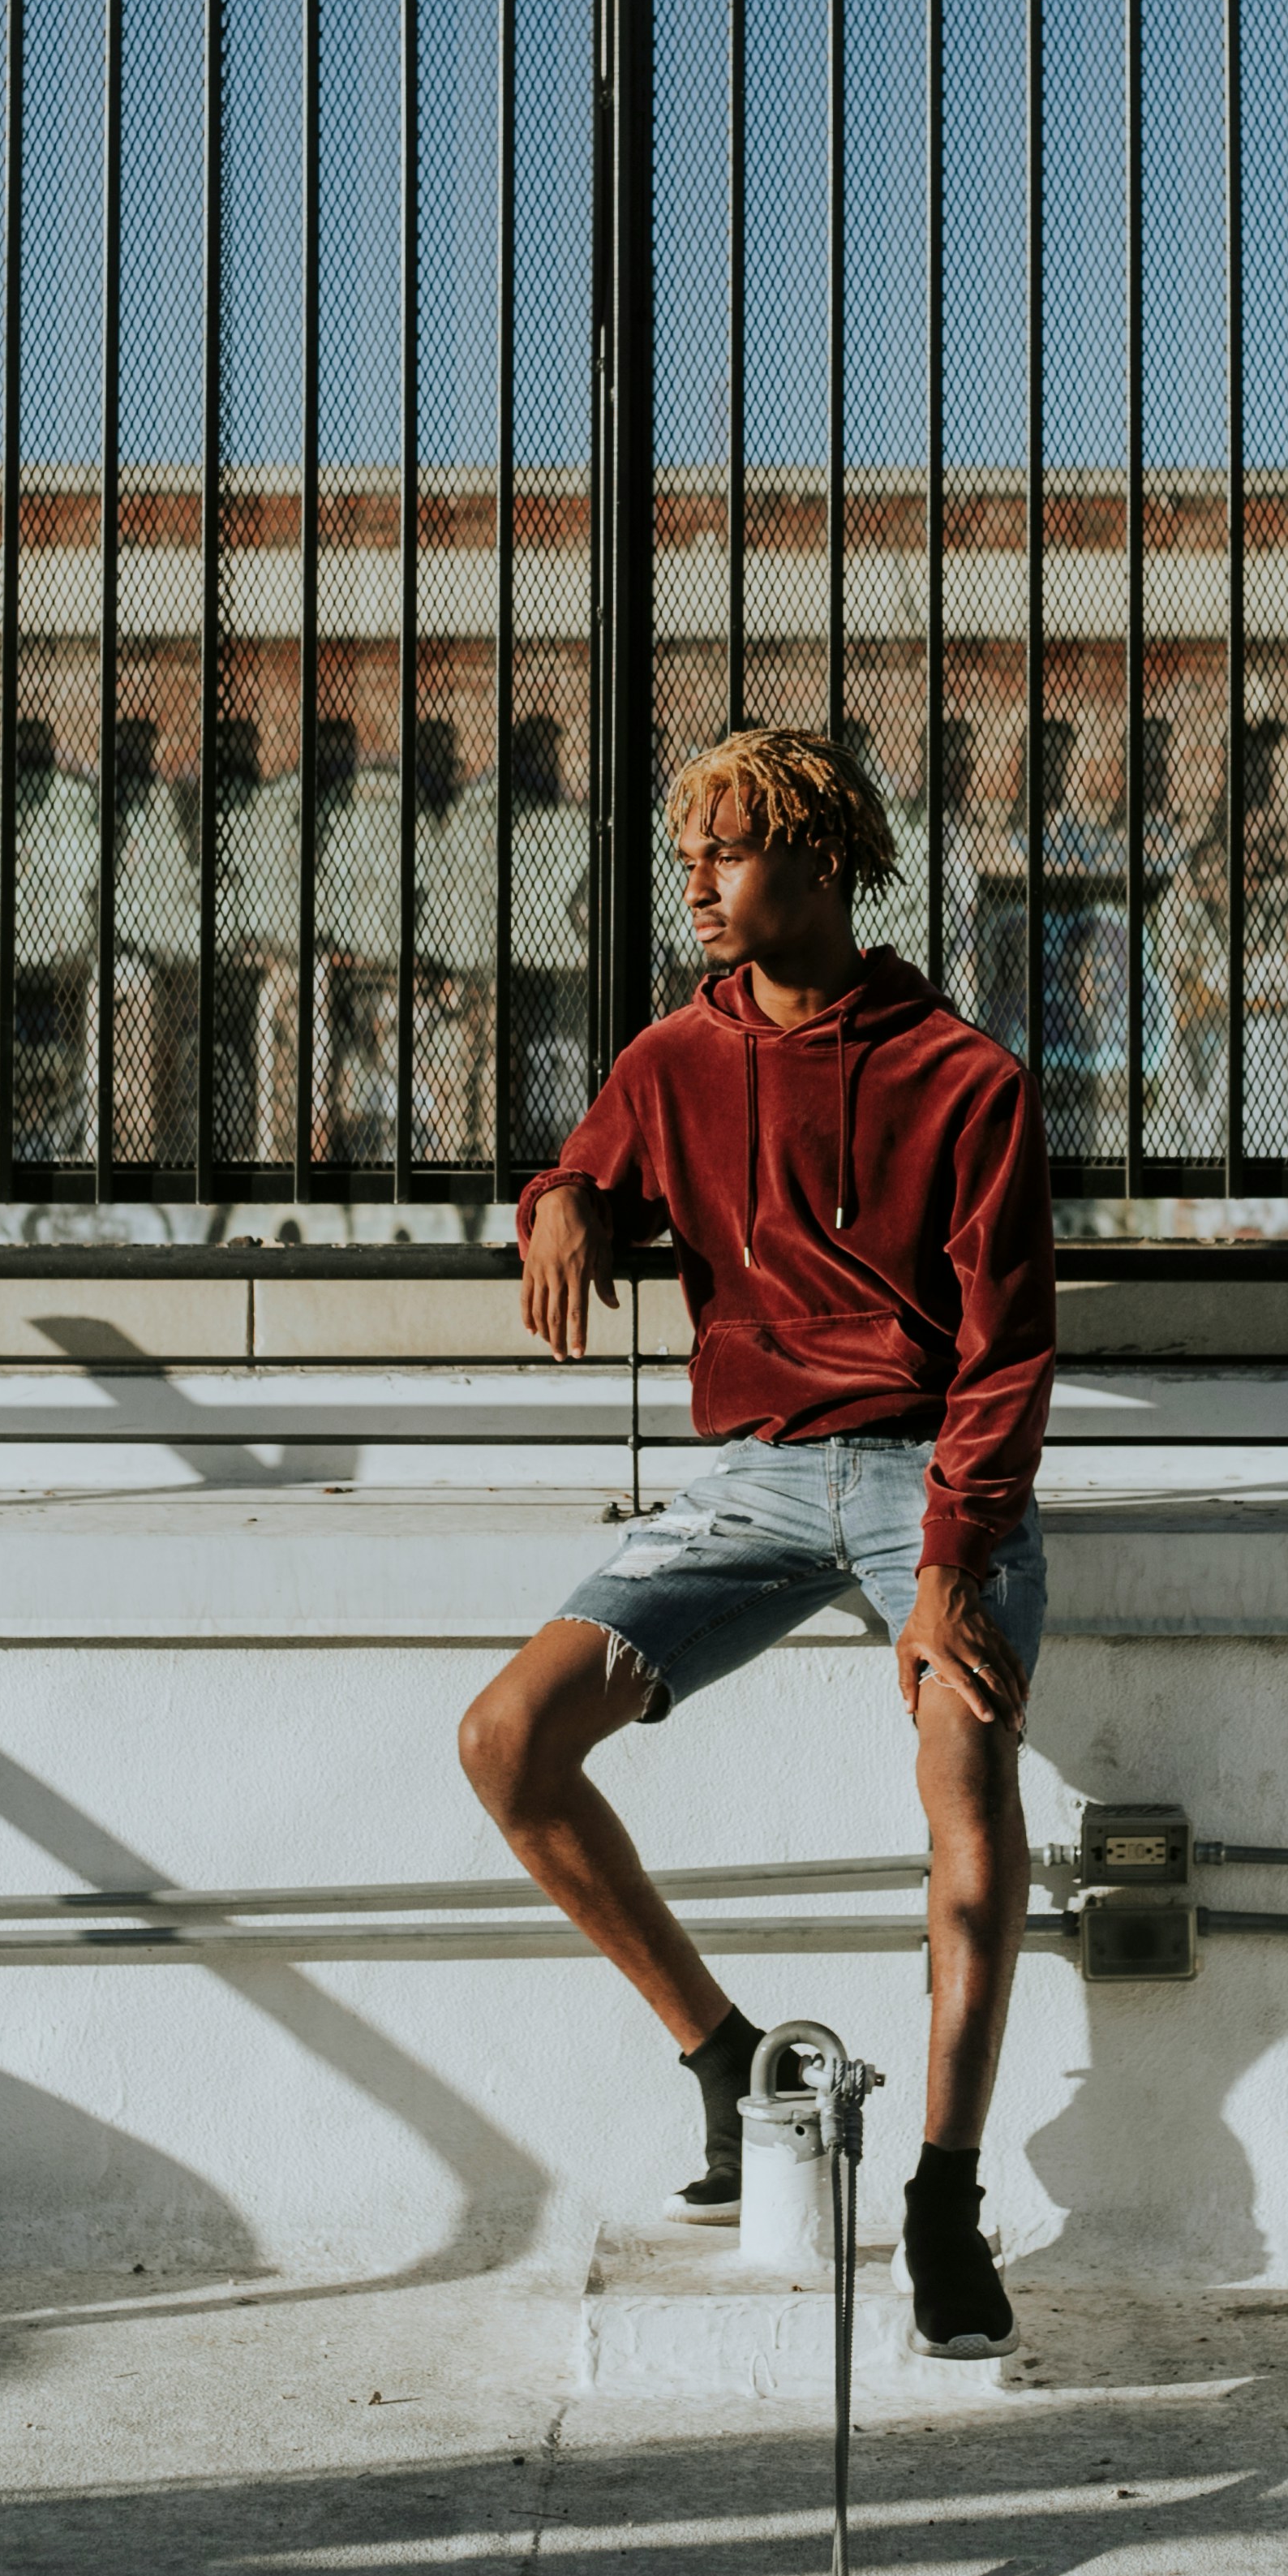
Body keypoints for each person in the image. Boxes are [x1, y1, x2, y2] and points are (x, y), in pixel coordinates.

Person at [457, 722, 1054, 2361]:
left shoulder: (967, 1079)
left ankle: (944, 2195)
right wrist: (559, 1194)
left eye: (727, 852)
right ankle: (726, 2065)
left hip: (935, 1479)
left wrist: (950, 1567)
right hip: (751, 1480)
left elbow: (1007, 1353)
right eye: (689, 856)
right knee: (509, 1741)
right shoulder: (675, 1058)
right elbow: (598, 1168)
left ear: (823, 860)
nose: (700, 883)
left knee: (966, 1783)